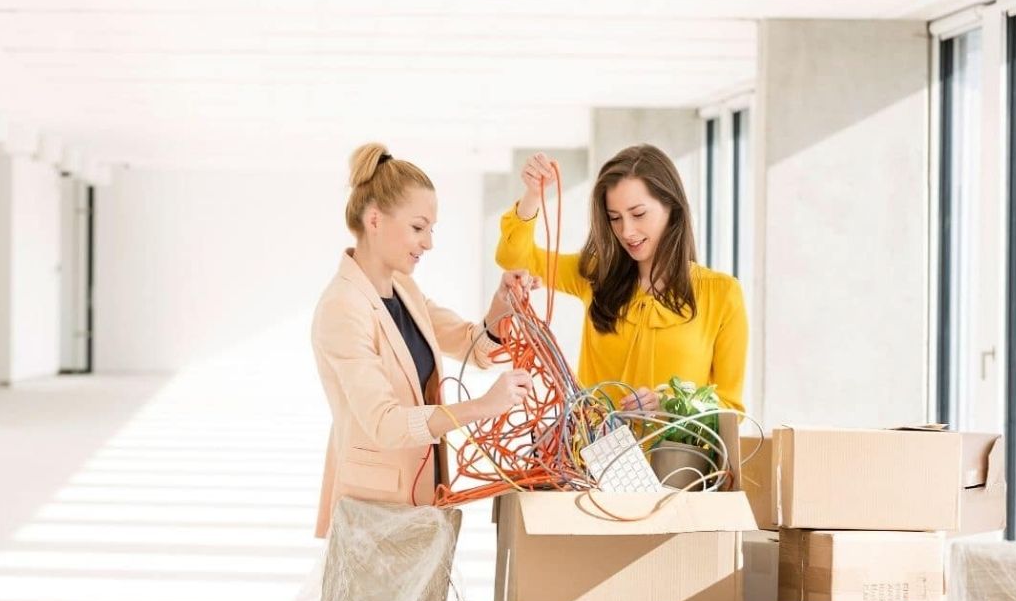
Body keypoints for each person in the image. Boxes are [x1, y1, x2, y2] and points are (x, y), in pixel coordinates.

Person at [312, 142, 536, 538]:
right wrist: (483, 406)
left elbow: (474, 346)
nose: (429, 243)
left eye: (431, 230)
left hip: (423, 498)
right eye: (418, 228)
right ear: (375, 220)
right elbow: (384, 423)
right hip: (375, 512)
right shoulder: (343, 308)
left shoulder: (404, 289)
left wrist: (502, 304)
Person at [495, 144, 747, 415]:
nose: (627, 231)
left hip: (677, 458)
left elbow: (731, 409)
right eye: (615, 218)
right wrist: (533, 196)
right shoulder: (595, 275)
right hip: (592, 454)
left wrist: (669, 406)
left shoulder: (722, 294)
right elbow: (515, 259)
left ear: (671, 207)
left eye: (638, 214)